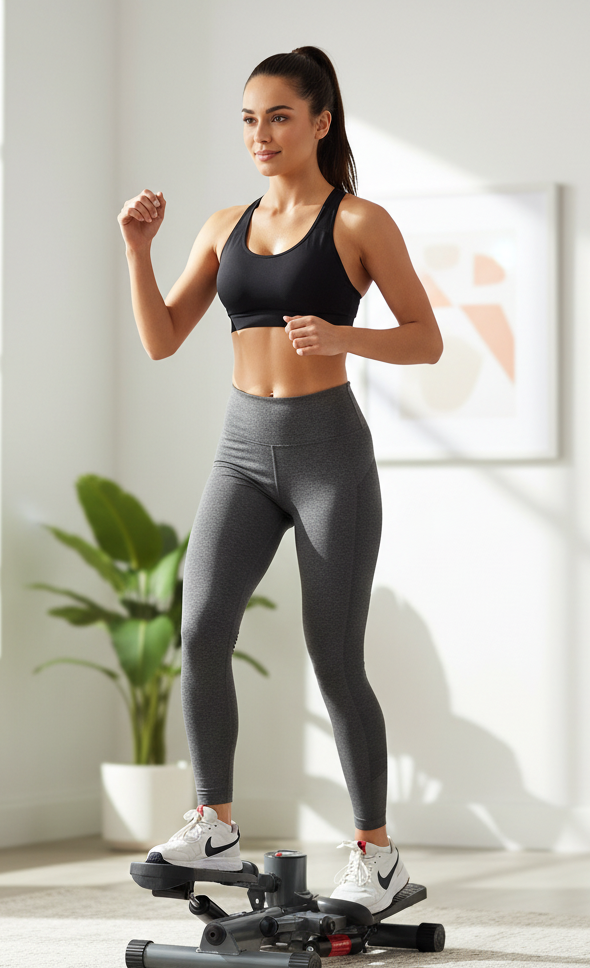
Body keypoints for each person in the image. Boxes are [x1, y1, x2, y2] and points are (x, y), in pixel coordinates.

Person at [117, 46, 441, 913]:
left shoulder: (359, 223)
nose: (260, 135)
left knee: (335, 661)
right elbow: (160, 338)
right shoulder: (223, 224)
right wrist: (138, 249)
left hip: (328, 455)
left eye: (280, 117)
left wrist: (348, 339)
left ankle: (377, 856)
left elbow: (426, 337)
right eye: (249, 120)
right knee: (202, 626)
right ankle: (213, 822)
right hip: (240, 451)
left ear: (321, 121)